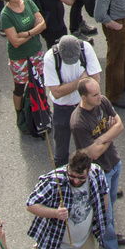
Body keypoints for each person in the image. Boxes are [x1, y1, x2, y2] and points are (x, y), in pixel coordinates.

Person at [68, 79, 125, 249]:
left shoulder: (102, 102)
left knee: (110, 204)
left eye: (99, 92)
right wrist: (109, 134)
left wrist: (103, 138)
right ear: (83, 97)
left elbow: (120, 125)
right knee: (104, 214)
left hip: (114, 163)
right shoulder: (79, 122)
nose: (99, 96)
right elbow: (92, 154)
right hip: (99, 173)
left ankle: (109, 233)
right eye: (94, 95)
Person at [23, 150, 114, 249]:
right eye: (72, 176)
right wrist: (55, 213)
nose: (76, 181)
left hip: (83, 243)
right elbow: (31, 204)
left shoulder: (97, 173)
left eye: (81, 178)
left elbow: (104, 194)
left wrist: (101, 220)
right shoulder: (53, 180)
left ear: (88, 170)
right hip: (56, 246)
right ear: (68, 167)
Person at [0, 0, 49, 132]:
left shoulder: (28, 2)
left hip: (36, 51)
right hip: (19, 57)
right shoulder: (5, 15)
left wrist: (26, 33)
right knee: (19, 87)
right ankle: (20, 115)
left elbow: (43, 24)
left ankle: (43, 108)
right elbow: (15, 42)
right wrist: (34, 30)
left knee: (40, 82)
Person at [43, 36, 103, 165]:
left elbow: (95, 82)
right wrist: (81, 80)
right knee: (61, 153)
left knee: (89, 150)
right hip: (62, 109)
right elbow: (57, 93)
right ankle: (62, 181)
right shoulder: (50, 58)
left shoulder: (86, 48)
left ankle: (89, 180)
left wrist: (66, 86)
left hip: (85, 108)